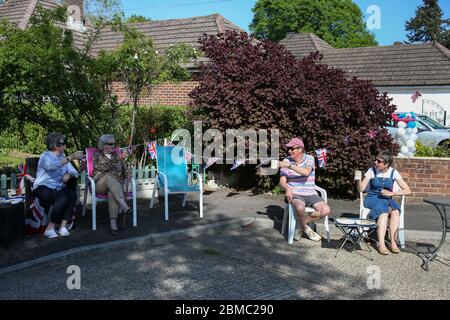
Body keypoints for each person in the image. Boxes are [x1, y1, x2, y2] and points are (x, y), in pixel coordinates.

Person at [357, 150, 411, 255]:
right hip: (372, 198)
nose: (375, 162)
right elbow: (361, 189)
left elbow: (407, 190)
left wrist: (393, 193)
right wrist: (358, 180)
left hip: (387, 198)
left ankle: (393, 243)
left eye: (379, 161)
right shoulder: (371, 171)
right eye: (376, 160)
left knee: (395, 211)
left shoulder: (393, 172)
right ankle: (381, 244)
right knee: (383, 211)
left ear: (386, 164)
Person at [279, 137, 331, 241]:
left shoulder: (309, 158)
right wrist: (288, 189)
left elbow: (306, 172)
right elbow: (282, 181)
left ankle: (300, 224)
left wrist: (289, 166)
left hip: (310, 192)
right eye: (288, 149)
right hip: (295, 192)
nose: (289, 151)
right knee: (300, 208)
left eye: (292, 148)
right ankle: (306, 228)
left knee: (326, 210)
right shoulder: (286, 160)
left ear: (300, 149)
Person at [33, 133, 84, 239]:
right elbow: (50, 166)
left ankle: (63, 226)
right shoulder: (45, 156)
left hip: (57, 188)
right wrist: (71, 157)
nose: (65, 146)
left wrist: (68, 174)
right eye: (63, 143)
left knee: (71, 195)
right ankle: (50, 228)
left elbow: (74, 171)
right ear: (56, 146)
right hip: (43, 187)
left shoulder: (62, 156)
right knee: (62, 197)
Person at [93, 134, 132, 236]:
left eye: (114, 144)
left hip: (115, 187)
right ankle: (123, 205)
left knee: (112, 193)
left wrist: (128, 175)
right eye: (110, 144)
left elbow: (124, 168)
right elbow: (103, 168)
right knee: (110, 178)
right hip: (100, 184)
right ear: (103, 145)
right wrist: (118, 158)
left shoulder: (116, 155)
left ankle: (113, 225)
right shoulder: (97, 156)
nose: (113, 146)